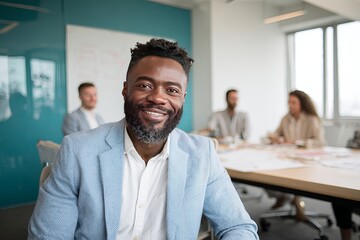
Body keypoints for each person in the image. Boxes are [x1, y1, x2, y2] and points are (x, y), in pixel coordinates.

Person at [28, 38, 259, 240]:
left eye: (172, 90)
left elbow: (238, 226)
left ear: (183, 99)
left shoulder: (202, 154)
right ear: (125, 90)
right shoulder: (77, 151)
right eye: (145, 85)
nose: (158, 98)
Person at [267, 90, 325, 220]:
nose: (290, 105)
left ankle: (294, 199)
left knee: (293, 177)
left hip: (306, 160)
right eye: (289, 102)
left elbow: (320, 143)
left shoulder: (312, 119)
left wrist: (297, 142)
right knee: (265, 173)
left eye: (294, 102)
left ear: (302, 104)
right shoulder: (286, 118)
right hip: (286, 157)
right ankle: (286, 197)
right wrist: (274, 138)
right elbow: (276, 133)